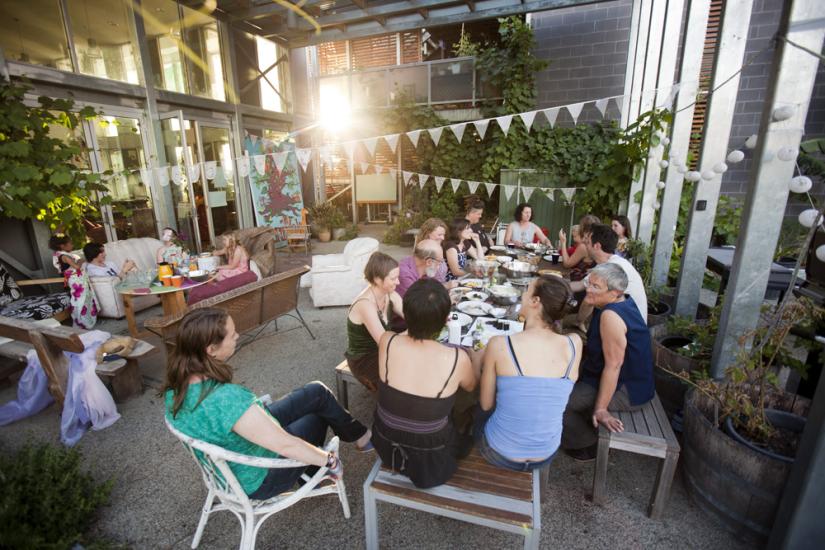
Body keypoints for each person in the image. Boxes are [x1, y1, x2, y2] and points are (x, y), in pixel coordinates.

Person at [163, 308, 372, 499]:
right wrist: (330, 460)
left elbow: (226, 417)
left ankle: (360, 436)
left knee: (316, 393)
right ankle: (315, 472)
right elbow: (285, 445)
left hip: (237, 442)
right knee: (315, 418)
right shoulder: (226, 398)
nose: (237, 336)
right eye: (232, 334)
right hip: (258, 477)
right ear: (211, 349)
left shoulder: (176, 387)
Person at [371, 279, 477, 488]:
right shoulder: (457, 357)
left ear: (406, 313)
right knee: (468, 402)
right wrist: (475, 357)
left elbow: (407, 338)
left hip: (385, 440)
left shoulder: (387, 340)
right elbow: (471, 387)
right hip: (430, 456)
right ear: (446, 319)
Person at [475, 277, 582, 471]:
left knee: (474, 414)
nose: (522, 295)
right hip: (546, 454)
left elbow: (485, 404)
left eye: (527, 290)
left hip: (500, 454)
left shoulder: (499, 344)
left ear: (535, 302)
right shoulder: (575, 344)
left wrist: (476, 361)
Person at [561, 263, 654, 461]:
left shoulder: (611, 316)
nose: (588, 289)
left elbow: (614, 366)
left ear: (615, 292)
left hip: (627, 389)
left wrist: (601, 409)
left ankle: (586, 444)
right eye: (589, 283)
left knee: (558, 403)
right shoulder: (620, 302)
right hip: (627, 379)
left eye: (596, 287)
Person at [346, 252, 405, 393]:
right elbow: (385, 343)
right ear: (378, 279)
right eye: (393, 278)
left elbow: (412, 317)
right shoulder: (365, 305)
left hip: (384, 350)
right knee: (402, 383)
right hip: (364, 360)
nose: (398, 282)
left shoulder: (390, 294)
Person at [571, 223, 647, 322]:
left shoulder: (611, 268)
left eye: (588, 242)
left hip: (627, 328)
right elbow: (580, 285)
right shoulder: (609, 262)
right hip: (623, 319)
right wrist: (553, 282)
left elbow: (589, 301)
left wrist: (578, 322)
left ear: (597, 246)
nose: (585, 244)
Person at [50, 235, 98, 329]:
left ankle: (87, 319)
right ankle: (81, 322)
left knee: (85, 299)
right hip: (76, 282)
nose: (72, 245)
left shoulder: (64, 254)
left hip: (79, 280)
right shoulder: (64, 256)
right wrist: (80, 260)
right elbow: (76, 267)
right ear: (62, 246)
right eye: (70, 243)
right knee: (80, 300)